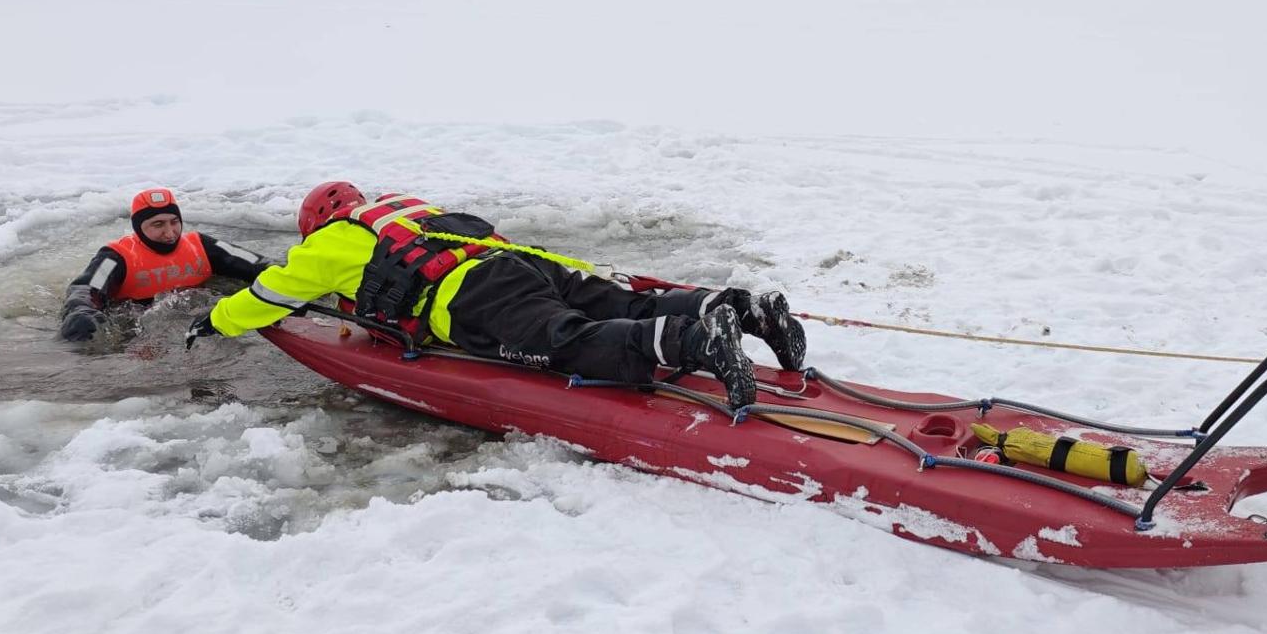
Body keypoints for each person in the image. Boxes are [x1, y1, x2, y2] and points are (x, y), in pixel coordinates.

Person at [184, 182, 806, 409]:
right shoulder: (407, 207)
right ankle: (740, 308)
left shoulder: (328, 244)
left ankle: (697, 342)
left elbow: (269, 295)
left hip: (473, 296)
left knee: (567, 340)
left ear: (317, 223)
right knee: (622, 304)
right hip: (523, 263)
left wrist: (218, 319)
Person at [59, 187, 269, 341]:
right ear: (139, 228)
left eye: (174, 222)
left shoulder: (202, 245)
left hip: (197, 319)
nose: (169, 233)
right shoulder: (116, 256)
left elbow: (258, 263)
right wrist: (82, 313)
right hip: (137, 328)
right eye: (158, 224)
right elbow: (85, 289)